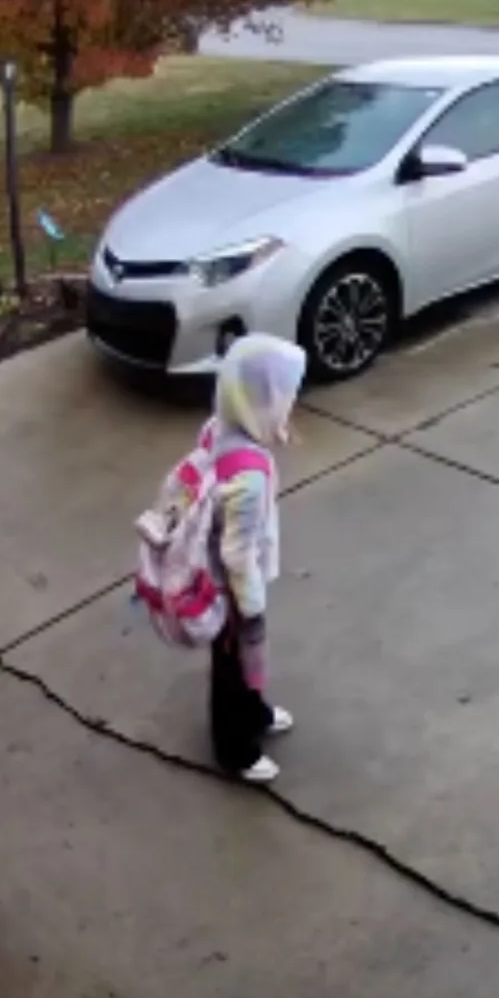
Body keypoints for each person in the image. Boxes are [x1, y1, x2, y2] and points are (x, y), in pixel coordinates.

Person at [203, 333, 306, 783]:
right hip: (231, 591)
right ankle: (235, 750)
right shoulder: (250, 475)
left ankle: (255, 712)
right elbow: (237, 551)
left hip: (219, 577)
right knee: (233, 666)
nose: (289, 407)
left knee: (240, 664)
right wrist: (251, 607)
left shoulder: (219, 428)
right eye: (283, 399)